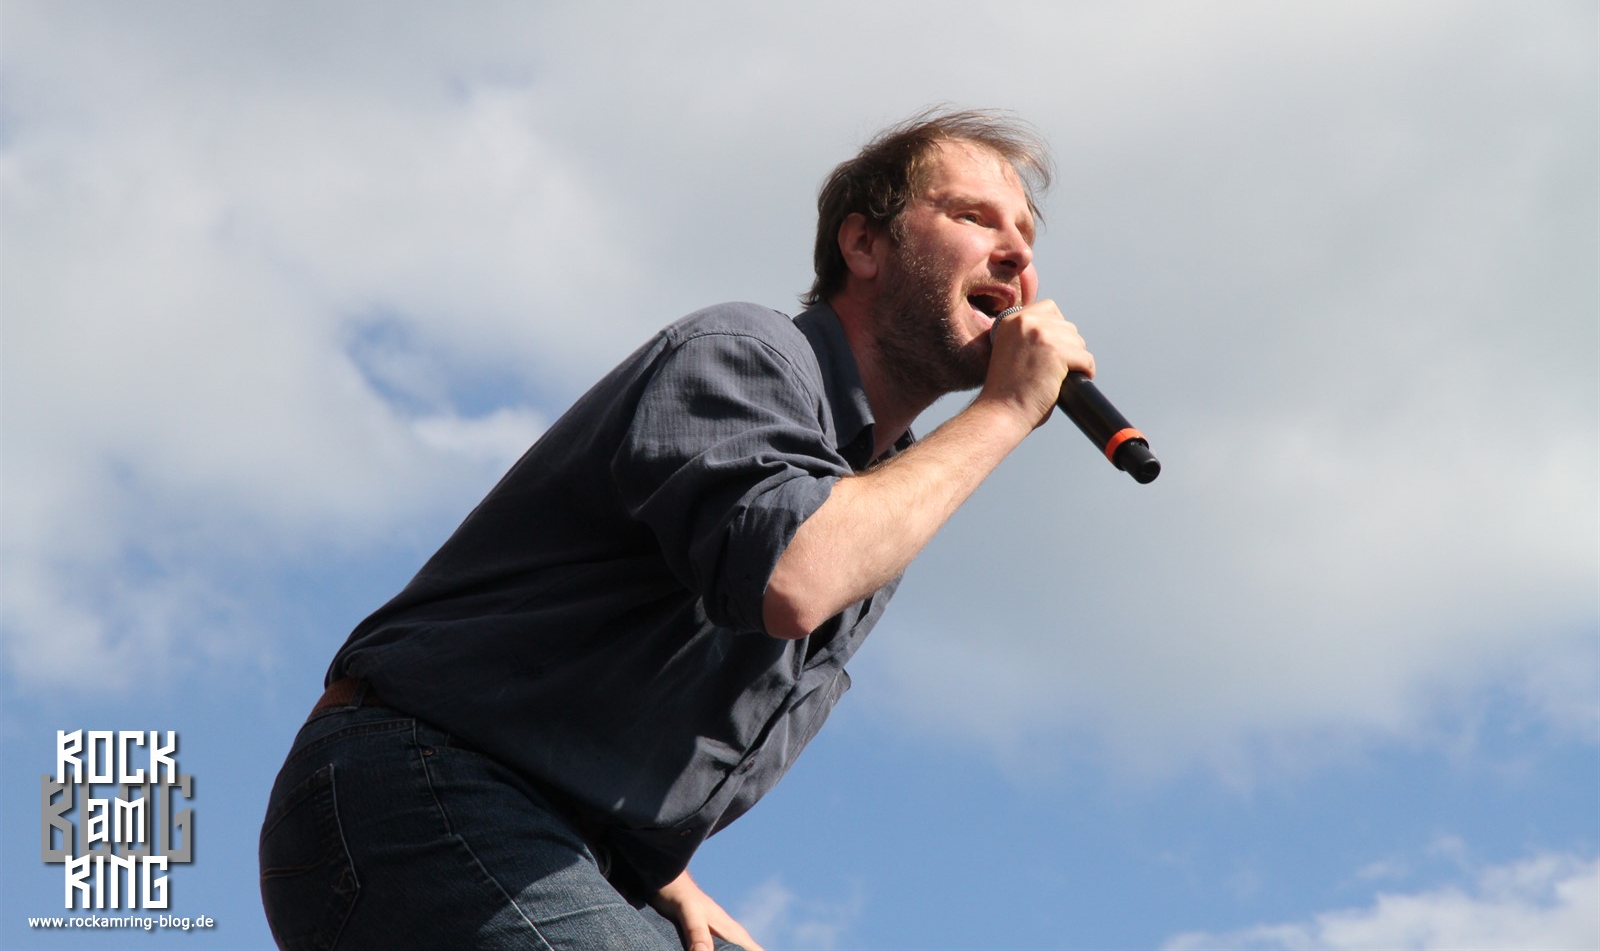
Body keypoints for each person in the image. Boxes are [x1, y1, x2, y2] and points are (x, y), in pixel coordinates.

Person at [258, 108, 1094, 951]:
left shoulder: (885, 490)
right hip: (416, 786)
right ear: (864, 245)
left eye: (1026, 234)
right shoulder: (744, 353)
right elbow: (795, 576)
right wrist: (1006, 409)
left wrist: (655, 869)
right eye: (974, 215)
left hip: (567, 840)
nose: (1016, 253)